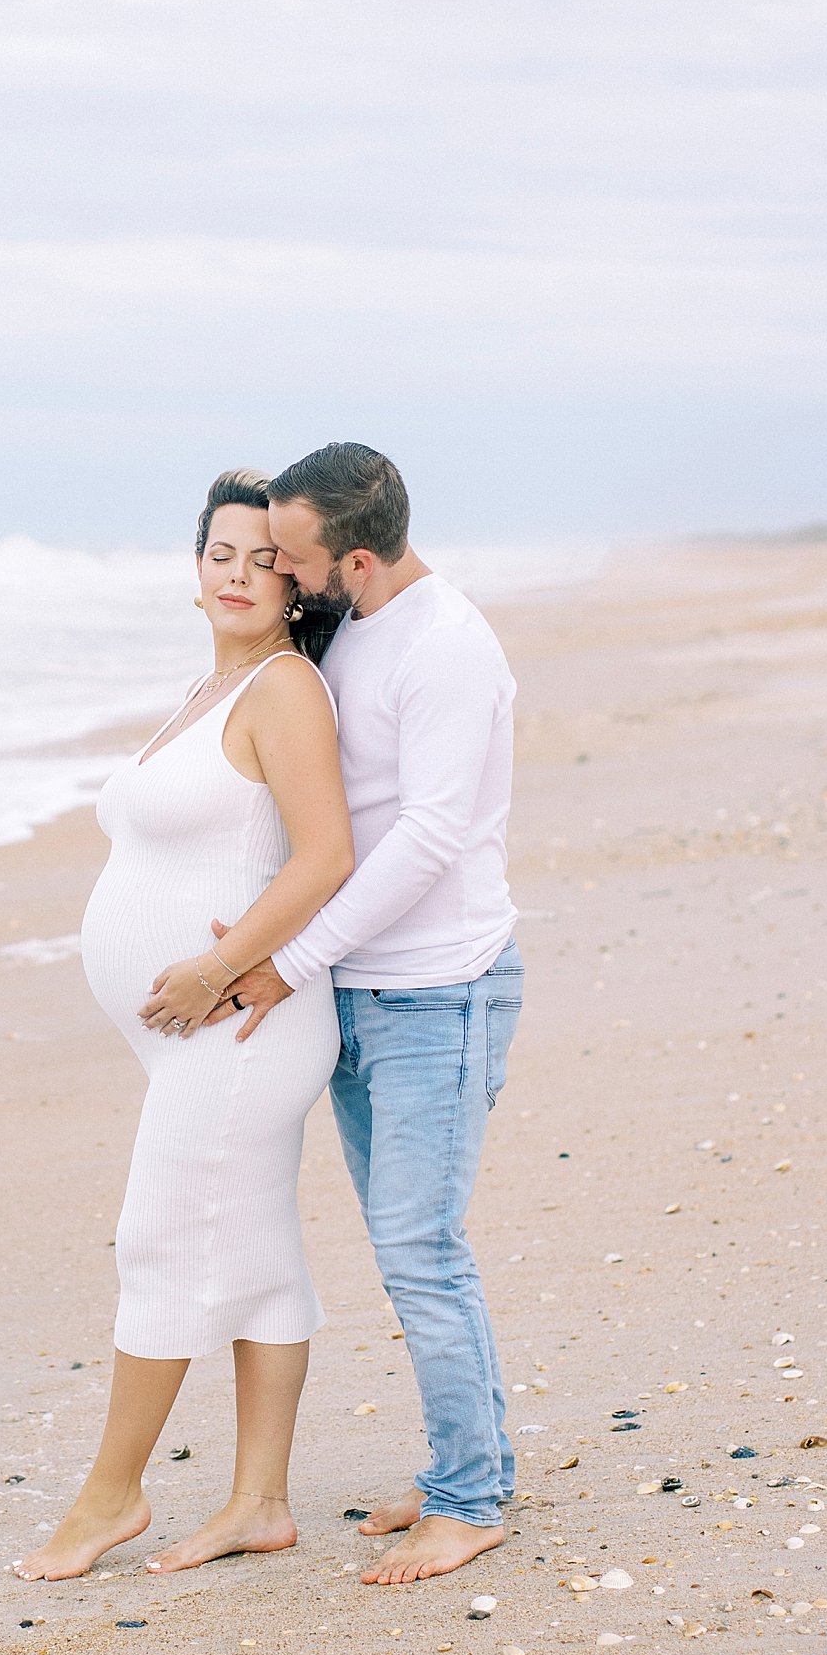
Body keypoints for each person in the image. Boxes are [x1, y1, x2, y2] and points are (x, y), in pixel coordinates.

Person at [14, 470, 354, 1582]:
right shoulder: (209, 690)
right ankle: (259, 1502)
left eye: (265, 560)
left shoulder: (286, 689)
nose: (240, 576)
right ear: (194, 566)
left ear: (298, 580)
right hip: (195, 1038)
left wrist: (215, 965)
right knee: (253, 1249)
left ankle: (110, 1497)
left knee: (158, 1240)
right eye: (221, 554)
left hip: (243, 1030)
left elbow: (324, 857)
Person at [218, 442, 525, 1586]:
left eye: (294, 558)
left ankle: (470, 1498)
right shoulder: (351, 627)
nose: (283, 577)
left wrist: (292, 960)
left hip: (438, 989)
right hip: (362, 983)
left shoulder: (446, 648)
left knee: (419, 1251)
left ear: (356, 554)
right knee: (415, 1248)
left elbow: (427, 838)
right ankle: (473, 1459)